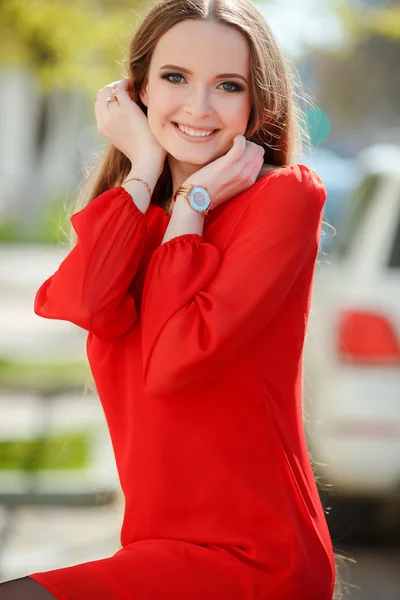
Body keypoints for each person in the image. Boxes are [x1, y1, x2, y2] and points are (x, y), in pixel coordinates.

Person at [0, 0, 337, 598]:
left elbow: (175, 359)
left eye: (227, 86)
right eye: (175, 78)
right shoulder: (135, 220)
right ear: (138, 90)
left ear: (258, 105)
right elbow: (88, 302)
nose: (199, 108)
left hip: (255, 558)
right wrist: (145, 163)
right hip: (152, 550)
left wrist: (192, 209)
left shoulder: (286, 199)